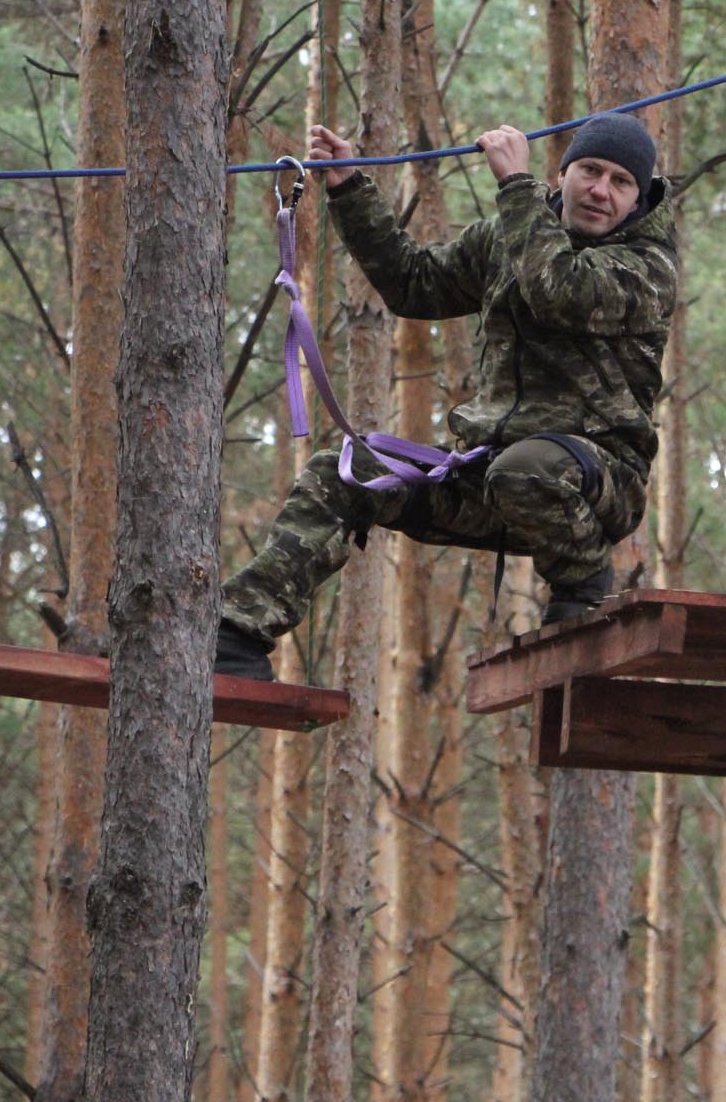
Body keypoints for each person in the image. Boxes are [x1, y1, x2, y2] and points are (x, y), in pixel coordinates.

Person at [215, 112, 679, 681]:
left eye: (620, 182)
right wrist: (349, 190)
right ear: (563, 176)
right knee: (347, 471)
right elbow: (413, 283)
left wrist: (514, 187)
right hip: (492, 476)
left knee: (528, 469)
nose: (601, 191)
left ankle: (581, 580)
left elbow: (558, 289)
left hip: (596, 485)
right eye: (590, 171)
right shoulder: (509, 235)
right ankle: (236, 633)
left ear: (638, 200)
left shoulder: (647, 268)